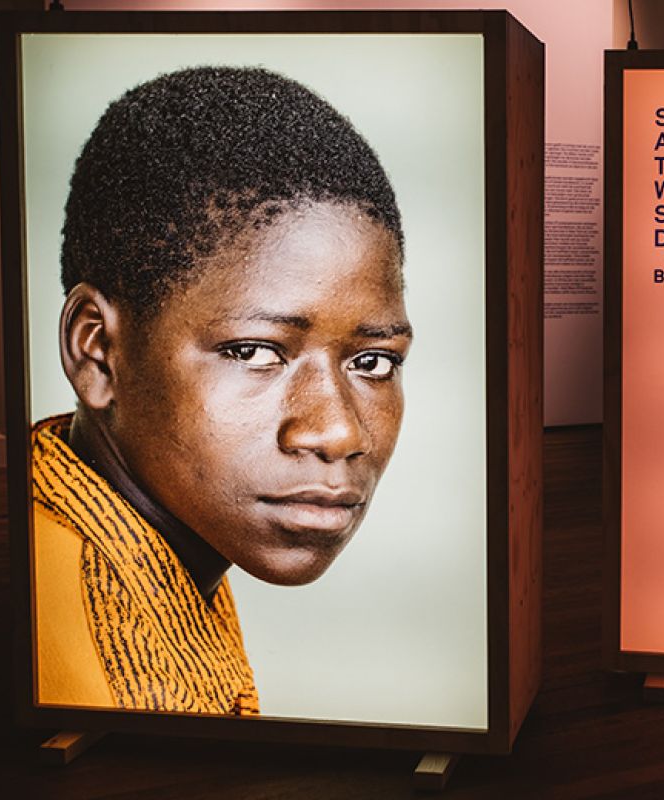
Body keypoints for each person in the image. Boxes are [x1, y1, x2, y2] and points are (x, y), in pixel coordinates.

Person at [31, 66, 412, 715]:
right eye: (255, 352)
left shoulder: (153, 522)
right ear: (96, 350)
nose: (338, 431)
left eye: (372, 361)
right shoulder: (118, 687)